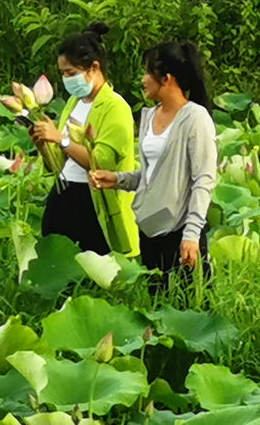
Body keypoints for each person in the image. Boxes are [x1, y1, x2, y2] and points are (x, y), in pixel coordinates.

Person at [90, 40, 217, 277]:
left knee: (187, 306)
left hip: (180, 231)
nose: (143, 79)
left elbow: (203, 180)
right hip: (148, 227)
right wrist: (117, 179)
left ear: (167, 78)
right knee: (157, 304)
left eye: (148, 73)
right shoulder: (148, 116)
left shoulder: (195, 119)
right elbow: (152, 176)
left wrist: (191, 235)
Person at [30, 22, 139, 256]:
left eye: (71, 73)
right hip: (64, 190)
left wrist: (62, 140)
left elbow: (102, 163)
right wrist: (43, 144)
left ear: (93, 68)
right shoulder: (74, 102)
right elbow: (58, 164)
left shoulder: (115, 107)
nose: (67, 79)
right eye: (63, 74)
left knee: (90, 266)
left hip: (93, 198)